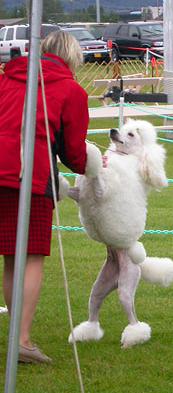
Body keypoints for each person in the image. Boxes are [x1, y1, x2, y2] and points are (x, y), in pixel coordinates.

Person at [0, 30, 101, 363]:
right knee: (29, 257)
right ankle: (22, 339)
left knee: (12, 257)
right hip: (29, 176)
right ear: (72, 58)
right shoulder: (71, 89)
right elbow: (74, 152)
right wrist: (98, 166)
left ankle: (19, 336)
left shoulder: (7, 78)